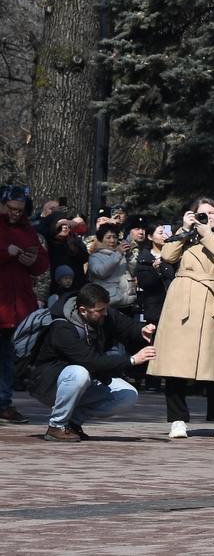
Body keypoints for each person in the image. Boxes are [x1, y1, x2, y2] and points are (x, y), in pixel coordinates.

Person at [148, 198, 214, 440]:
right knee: (175, 364)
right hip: (182, 299)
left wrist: (207, 234)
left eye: (211, 212)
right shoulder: (184, 236)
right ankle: (177, 420)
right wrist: (185, 229)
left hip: (211, 300)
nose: (207, 216)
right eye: (201, 213)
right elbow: (167, 255)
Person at [29, 283, 156, 440]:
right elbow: (92, 361)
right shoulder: (62, 327)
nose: (105, 314)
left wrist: (140, 330)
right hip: (50, 384)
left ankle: (73, 423)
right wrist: (132, 360)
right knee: (79, 373)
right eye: (100, 311)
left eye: (106, 309)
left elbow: (125, 325)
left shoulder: (102, 313)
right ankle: (57, 426)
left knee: (128, 395)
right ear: (83, 310)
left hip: (85, 380)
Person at [1, 185, 49, 424]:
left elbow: (41, 263)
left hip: (17, 304)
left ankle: (3, 403)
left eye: (19, 210)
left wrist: (34, 261)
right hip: (3, 301)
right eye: (10, 209)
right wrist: (6, 252)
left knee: (9, 356)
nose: (15, 214)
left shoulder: (27, 229)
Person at [87, 224, 132, 309]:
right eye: (108, 237)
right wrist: (118, 254)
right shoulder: (95, 257)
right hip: (108, 303)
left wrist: (129, 255)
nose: (112, 240)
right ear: (101, 240)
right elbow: (101, 272)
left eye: (115, 237)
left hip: (126, 302)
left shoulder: (121, 255)